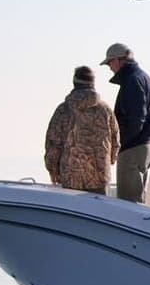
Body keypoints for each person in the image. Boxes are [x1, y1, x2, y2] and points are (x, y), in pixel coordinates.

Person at [43, 64, 120, 194]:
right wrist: (110, 160)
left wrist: (52, 169)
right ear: (93, 84)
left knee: (72, 213)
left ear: (74, 83)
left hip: (70, 177)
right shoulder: (105, 110)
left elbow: (53, 142)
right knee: (97, 213)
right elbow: (115, 140)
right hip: (100, 176)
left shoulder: (63, 110)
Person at [103, 43, 150, 203]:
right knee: (137, 201)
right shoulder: (142, 78)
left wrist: (119, 144)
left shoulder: (133, 81)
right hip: (143, 147)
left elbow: (136, 120)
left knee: (129, 204)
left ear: (117, 60)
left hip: (133, 150)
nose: (109, 67)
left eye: (109, 63)